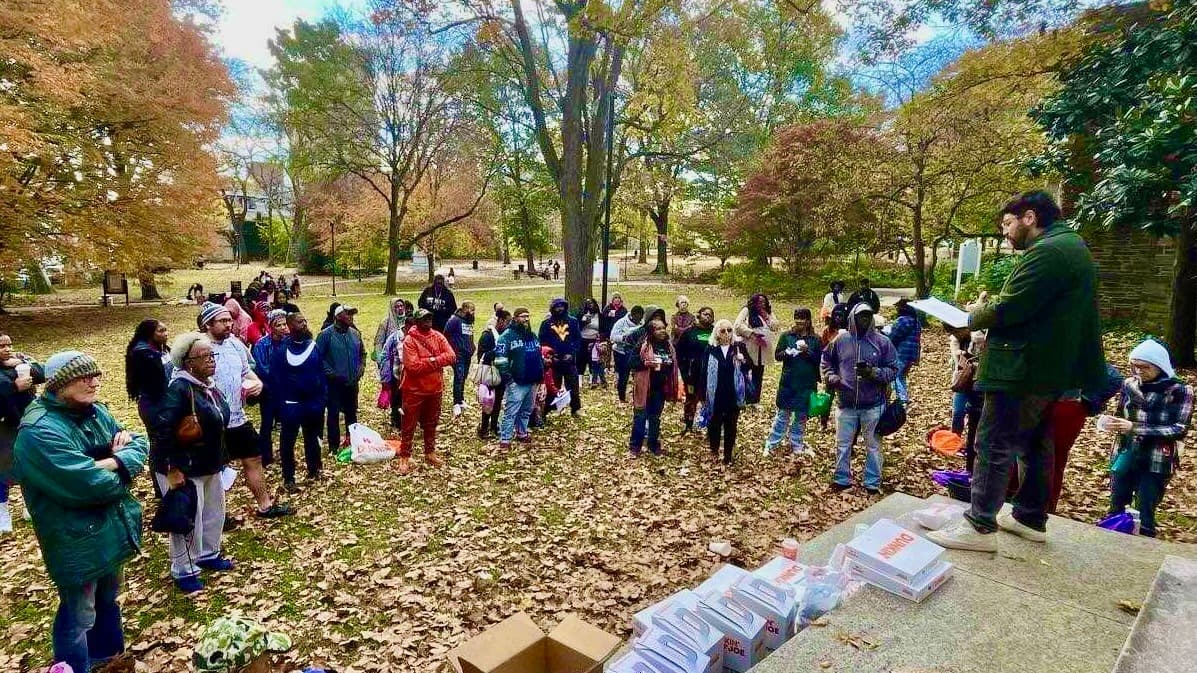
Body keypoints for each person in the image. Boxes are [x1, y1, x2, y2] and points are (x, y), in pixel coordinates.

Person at [929, 191, 1107, 552]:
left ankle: (979, 525)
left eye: (1008, 224)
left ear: (1029, 217)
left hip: (1020, 368)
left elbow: (1010, 308)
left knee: (993, 442)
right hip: (1046, 367)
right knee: (1035, 442)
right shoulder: (1071, 246)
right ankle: (1029, 516)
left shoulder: (1049, 252)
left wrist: (970, 316)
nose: (1005, 233)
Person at [13, 351, 147, 672]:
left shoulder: (95, 412)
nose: (94, 382)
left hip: (108, 528)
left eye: (95, 375)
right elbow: (89, 485)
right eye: (84, 377)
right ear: (59, 384)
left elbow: (140, 443)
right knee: (78, 615)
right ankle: (74, 667)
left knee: (108, 598)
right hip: (74, 538)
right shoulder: (39, 431)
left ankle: (108, 659)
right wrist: (120, 469)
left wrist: (112, 462)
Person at [152, 333, 234, 593]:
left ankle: (209, 553)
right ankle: (184, 568)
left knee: (213, 511)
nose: (211, 360)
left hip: (210, 463)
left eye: (212, 355)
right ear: (188, 362)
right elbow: (162, 430)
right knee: (189, 517)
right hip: (185, 467)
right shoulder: (178, 389)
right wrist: (172, 468)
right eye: (204, 356)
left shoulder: (208, 387)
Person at [199, 303, 291, 519]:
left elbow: (246, 370)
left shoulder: (235, 344)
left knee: (254, 458)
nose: (228, 324)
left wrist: (256, 383)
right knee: (214, 470)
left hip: (238, 418)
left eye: (229, 320)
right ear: (208, 324)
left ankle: (265, 506)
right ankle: (218, 516)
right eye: (222, 321)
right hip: (211, 421)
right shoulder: (199, 348)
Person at [1102, 339, 1193, 538]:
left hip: (1156, 458)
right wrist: (1111, 423)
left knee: (1145, 510)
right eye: (1134, 365)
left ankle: (1144, 544)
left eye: (1145, 367)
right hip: (1125, 453)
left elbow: (1179, 429)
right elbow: (1121, 414)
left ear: (1160, 365)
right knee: (1117, 504)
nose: (1138, 371)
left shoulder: (1180, 390)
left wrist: (1135, 428)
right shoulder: (1129, 384)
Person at [821, 303, 898, 494]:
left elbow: (893, 369)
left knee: (873, 446)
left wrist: (873, 372)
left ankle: (872, 483)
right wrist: (831, 377)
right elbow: (826, 361)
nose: (864, 319)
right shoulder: (841, 340)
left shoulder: (882, 342)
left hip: (873, 404)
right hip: (845, 402)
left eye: (868, 316)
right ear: (852, 318)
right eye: (861, 316)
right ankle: (841, 479)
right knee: (843, 444)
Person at [271, 313, 326, 490]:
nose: (304, 324)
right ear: (289, 326)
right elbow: (276, 379)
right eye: (300, 322)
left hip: (312, 403)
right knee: (288, 442)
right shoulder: (282, 351)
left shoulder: (313, 347)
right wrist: (281, 404)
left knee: (312, 437)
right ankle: (289, 477)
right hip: (291, 405)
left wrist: (322, 399)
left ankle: (314, 469)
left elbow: (321, 374)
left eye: (305, 321)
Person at [397, 309, 455, 475]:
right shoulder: (409, 340)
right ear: (416, 321)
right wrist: (438, 361)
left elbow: (451, 356)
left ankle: (430, 453)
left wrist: (430, 360)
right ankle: (405, 456)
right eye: (424, 318)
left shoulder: (438, 336)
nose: (428, 320)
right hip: (414, 391)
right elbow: (413, 367)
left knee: (431, 423)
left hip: (435, 389)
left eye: (429, 317)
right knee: (409, 425)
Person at [0, 333, 45, 532]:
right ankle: (2, 513)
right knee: (2, 469)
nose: (7, 349)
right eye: (2, 346)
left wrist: (21, 363)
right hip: (3, 424)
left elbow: (41, 373)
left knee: (29, 463)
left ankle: (29, 505)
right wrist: (13, 386)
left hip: (25, 420)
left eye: (9, 345)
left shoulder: (18, 359)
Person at [766, 308, 822, 456]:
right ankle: (772, 443)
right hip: (789, 382)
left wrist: (807, 351)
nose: (799, 322)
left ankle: (796, 443)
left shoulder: (815, 339)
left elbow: (818, 360)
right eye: (797, 319)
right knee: (783, 415)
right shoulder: (786, 336)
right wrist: (787, 352)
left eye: (802, 320)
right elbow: (777, 355)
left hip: (807, 384)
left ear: (808, 321)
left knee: (801, 416)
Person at [317, 304, 365, 452]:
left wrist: (361, 369)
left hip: (352, 382)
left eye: (352, 314)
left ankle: (353, 442)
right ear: (337, 317)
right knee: (333, 414)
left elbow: (362, 353)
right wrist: (332, 374)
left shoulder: (355, 334)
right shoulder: (326, 335)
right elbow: (318, 358)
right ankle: (333, 446)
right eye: (347, 314)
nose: (351, 317)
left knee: (352, 413)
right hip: (333, 384)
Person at [629, 319, 679, 456]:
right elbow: (631, 362)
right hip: (644, 386)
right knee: (640, 416)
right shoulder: (644, 345)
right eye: (658, 329)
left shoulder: (668, 346)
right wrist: (645, 363)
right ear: (651, 331)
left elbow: (673, 363)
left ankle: (653, 445)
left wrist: (668, 364)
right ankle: (635, 446)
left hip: (660, 387)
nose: (662, 331)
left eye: (663, 328)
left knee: (655, 418)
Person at [494, 307, 542, 448]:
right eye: (522, 316)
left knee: (527, 410)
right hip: (517, 381)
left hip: (532, 380)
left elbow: (538, 356)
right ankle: (505, 439)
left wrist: (541, 378)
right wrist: (510, 380)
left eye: (527, 316)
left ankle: (522, 432)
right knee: (511, 411)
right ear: (515, 318)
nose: (526, 319)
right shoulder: (506, 337)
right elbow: (500, 361)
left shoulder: (532, 335)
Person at [705, 320, 750, 465]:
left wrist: (743, 360)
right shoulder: (711, 348)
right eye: (723, 331)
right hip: (715, 393)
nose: (727, 334)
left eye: (729, 330)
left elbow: (749, 366)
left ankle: (728, 455)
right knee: (714, 424)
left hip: (733, 392)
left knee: (731, 425)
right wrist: (701, 394)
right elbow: (703, 372)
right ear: (717, 333)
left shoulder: (738, 347)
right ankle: (714, 449)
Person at [251, 310, 289, 468]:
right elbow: (261, 367)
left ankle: (286, 454)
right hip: (268, 391)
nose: (283, 327)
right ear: (271, 327)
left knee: (287, 424)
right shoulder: (261, 344)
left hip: (286, 390)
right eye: (278, 325)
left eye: (284, 324)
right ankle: (266, 456)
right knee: (267, 424)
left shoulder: (289, 342)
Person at [733, 293, 780, 407]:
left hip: (763, 349)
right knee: (743, 372)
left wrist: (766, 316)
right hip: (748, 347)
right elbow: (737, 325)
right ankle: (741, 397)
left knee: (758, 375)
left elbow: (775, 327)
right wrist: (752, 334)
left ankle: (754, 400)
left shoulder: (768, 312)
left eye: (763, 302)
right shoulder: (747, 310)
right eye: (759, 302)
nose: (761, 304)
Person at [539, 298, 583, 416]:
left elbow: (577, 340)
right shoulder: (546, 324)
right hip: (553, 361)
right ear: (552, 308)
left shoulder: (573, 322)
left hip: (569, 361)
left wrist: (572, 353)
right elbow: (542, 342)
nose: (560, 309)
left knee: (573, 386)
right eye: (557, 307)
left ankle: (576, 408)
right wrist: (550, 356)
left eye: (561, 306)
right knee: (553, 386)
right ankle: (553, 408)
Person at [124, 320, 171, 429]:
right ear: (149, 333)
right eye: (161, 331)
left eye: (166, 330)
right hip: (155, 406)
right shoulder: (143, 355)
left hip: (166, 402)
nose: (166, 333)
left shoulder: (163, 349)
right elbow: (154, 385)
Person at [677, 307, 715, 434]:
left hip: (710, 374)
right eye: (705, 314)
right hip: (692, 374)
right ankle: (688, 425)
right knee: (691, 399)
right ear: (699, 315)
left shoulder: (716, 332)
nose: (707, 316)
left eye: (710, 315)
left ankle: (710, 427)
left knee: (709, 400)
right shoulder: (689, 332)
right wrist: (684, 371)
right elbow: (679, 353)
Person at [477, 310, 511, 439]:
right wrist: (497, 351)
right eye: (507, 322)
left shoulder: (506, 335)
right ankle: (484, 428)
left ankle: (494, 426)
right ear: (500, 321)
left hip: (502, 373)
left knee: (498, 402)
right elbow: (482, 355)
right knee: (488, 401)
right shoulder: (488, 335)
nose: (509, 325)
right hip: (490, 374)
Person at [885, 299, 922, 404]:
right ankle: (903, 398)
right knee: (902, 377)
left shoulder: (902, 320)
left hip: (901, 353)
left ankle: (902, 399)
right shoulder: (916, 322)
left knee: (896, 376)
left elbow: (893, 337)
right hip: (912, 355)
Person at [444, 301, 477, 418]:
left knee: (464, 377)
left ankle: (461, 399)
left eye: (474, 310)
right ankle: (456, 403)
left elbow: (470, 334)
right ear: (464, 309)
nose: (473, 312)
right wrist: (452, 349)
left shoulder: (469, 320)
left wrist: (472, 346)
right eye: (471, 310)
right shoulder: (455, 320)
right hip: (458, 354)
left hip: (468, 353)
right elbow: (445, 333)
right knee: (459, 377)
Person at [379, 310, 409, 429]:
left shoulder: (415, 336)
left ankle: (407, 421)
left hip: (410, 375)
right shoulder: (394, 337)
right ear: (406, 325)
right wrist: (385, 376)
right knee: (396, 399)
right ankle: (396, 421)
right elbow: (384, 355)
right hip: (396, 374)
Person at [610, 305, 644, 403]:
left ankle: (637, 398)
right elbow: (613, 337)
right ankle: (622, 397)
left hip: (636, 353)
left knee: (637, 377)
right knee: (624, 376)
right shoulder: (621, 323)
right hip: (621, 352)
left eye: (640, 318)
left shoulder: (642, 324)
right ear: (632, 315)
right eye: (636, 317)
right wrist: (624, 338)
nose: (638, 320)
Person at [374, 298, 409, 363]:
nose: (400, 308)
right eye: (397, 307)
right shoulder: (385, 323)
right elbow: (378, 343)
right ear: (392, 308)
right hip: (390, 359)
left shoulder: (408, 321)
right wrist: (380, 361)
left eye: (401, 306)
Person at [578, 298, 602, 385]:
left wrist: (601, 335)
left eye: (592, 303)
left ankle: (593, 379)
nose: (590, 305)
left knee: (592, 359)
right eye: (588, 304)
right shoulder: (582, 315)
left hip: (594, 340)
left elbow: (603, 328)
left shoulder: (599, 316)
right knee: (581, 359)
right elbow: (578, 327)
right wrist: (584, 322)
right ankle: (580, 380)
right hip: (583, 339)